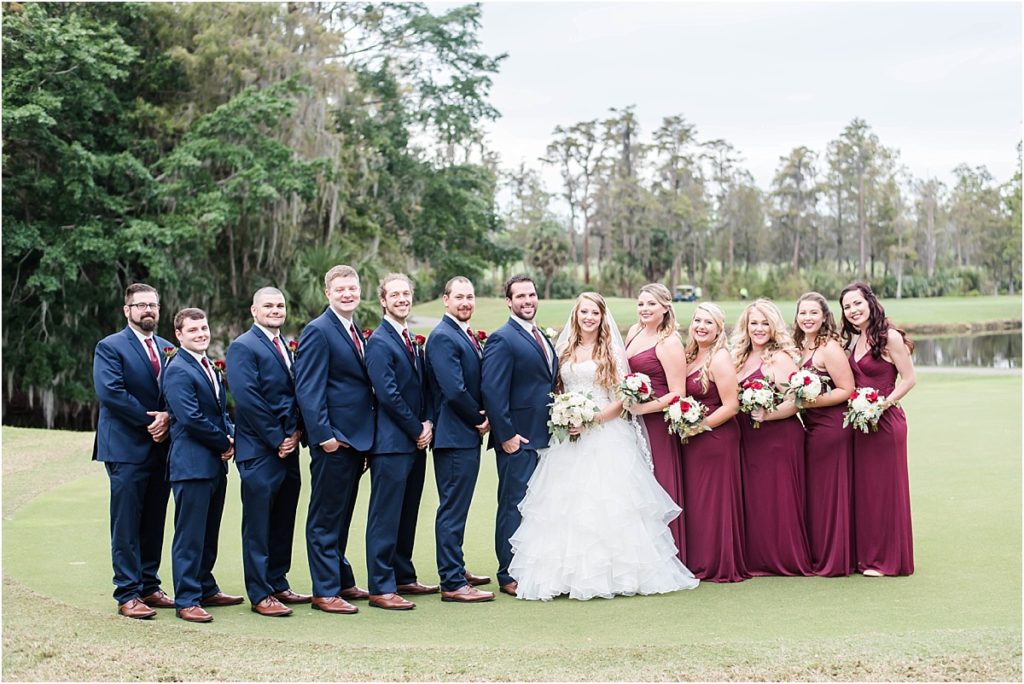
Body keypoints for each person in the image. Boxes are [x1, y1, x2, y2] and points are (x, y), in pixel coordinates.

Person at [509, 292, 699, 600]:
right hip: (568, 439)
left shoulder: (611, 350)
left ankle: (615, 576)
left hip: (604, 433)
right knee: (565, 508)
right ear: (576, 314)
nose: (588, 318)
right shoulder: (565, 348)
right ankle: (563, 578)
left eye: (594, 313)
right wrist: (564, 414)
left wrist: (592, 419)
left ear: (602, 317)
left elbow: (622, 399)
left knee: (608, 506)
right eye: (584, 312)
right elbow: (554, 389)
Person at [293, 265, 374, 614]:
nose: (347, 293)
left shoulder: (354, 330)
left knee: (341, 516)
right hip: (334, 441)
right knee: (325, 518)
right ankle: (324, 591)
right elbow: (308, 389)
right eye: (340, 289)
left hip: (356, 441)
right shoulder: (318, 331)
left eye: (352, 288)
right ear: (328, 293)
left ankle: (341, 579)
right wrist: (323, 436)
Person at [226, 287, 310, 617]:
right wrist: (278, 438)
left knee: (283, 519)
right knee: (258, 524)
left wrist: (298, 432)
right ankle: (260, 592)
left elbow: (297, 393)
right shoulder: (243, 347)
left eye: (280, 305)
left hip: (289, 449)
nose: (275, 310)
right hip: (261, 450)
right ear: (254, 310)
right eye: (268, 306)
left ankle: (278, 581)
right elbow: (248, 399)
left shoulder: (286, 346)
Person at [92, 283, 175, 619]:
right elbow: (110, 392)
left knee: (154, 519)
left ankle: (149, 586)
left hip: (162, 449)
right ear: (127, 311)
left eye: (152, 305)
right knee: (126, 522)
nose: (148, 310)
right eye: (140, 305)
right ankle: (127, 593)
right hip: (126, 448)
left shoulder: (169, 348)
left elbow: (178, 390)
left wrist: (168, 417)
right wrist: (150, 421)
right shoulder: (110, 347)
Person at [162, 308, 243, 622]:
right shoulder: (178, 369)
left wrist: (232, 435)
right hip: (191, 464)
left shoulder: (208, 365)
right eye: (193, 330)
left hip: (213, 465)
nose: (201, 334)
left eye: (204, 328)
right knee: (190, 535)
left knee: (209, 532)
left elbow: (220, 411)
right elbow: (191, 418)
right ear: (179, 335)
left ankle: (206, 586)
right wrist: (225, 442)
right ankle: (187, 599)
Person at [363, 273, 438, 610]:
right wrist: (416, 428)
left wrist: (428, 423)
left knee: (407, 512)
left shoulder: (409, 339)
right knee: (385, 515)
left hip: (413, 442)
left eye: (406, 294)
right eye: (394, 295)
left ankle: (403, 575)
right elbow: (388, 394)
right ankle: (381, 586)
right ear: (383, 300)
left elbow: (420, 389)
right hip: (392, 443)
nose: (401, 299)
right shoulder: (379, 341)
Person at [481, 275, 558, 598]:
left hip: (546, 438)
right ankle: (508, 572)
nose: (527, 300)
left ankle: (532, 566)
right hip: (519, 439)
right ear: (509, 302)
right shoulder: (503, 338)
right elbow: (492, 390)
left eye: (531, 294)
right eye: (520, 296)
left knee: (538, 506)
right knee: (514, 505)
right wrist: (507, 434)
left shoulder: (540, 334)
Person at [424, 276, 495, 603]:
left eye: (470, 297)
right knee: (452, 508)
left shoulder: (462, 333)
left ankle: (457, 566)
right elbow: (453, 389)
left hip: (463, 435)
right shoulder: (442, 336)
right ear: (446, 300)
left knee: (458, 506)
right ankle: (452, 582)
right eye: (459, 297)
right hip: (454, 436)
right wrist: (480, 418)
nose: (466, 302)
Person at [731, 298, 813, 576]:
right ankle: (758, 558)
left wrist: (768, 415)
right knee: (756, 499)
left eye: (765, 322)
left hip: (778, 437)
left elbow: (796, 402)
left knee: (778, 498)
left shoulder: (780, 358)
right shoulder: (739, 357)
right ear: (746, 325)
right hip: (749, 439)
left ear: (774, 326)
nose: (759, 328)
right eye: (754, 322)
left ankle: (784, 558)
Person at [840, 281, 916, 577]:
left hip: (885, 423)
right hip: (861, 425)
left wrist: (881, 405)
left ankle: (889, 560)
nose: (853, 310)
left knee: (885, 491)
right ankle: (867, 556)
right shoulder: (855, 340)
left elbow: (909, 379)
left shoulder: (890, 337)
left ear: (870, 302)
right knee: (867, 491)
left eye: (857, 303)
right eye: (847, 307)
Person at [680, 303, 750, 582]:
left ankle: (717, 563)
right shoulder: (691, 355)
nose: (701, 326)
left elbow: (732, 405)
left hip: (717, 437)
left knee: (714, 502)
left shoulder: (719, 358)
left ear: (719, 328)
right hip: (694, 438)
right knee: (698, 502)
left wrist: (700, 426)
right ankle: (698, 559)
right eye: (697, 320)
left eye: (708, 322)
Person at [624, 283, 688, 562]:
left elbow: (678, 393)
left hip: (657, 425)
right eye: (641, 304)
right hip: (632, 422)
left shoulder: (669, 342)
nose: (645, 309)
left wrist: (642, 408)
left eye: (651, 304)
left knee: (657, 483)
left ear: (665, 307)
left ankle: (666, 557)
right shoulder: (634, 332)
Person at [793, 292, 855, 577]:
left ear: (824, 316)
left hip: (829, 428)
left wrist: (809, 402)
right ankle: (815, 554)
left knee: (829, 495)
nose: (807, 318)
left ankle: (834, 559)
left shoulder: (829, 348)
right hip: (806, 428)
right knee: (814, 495)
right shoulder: (797, 346)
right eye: (803, 313)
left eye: (813, 313)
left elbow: (846, 390)